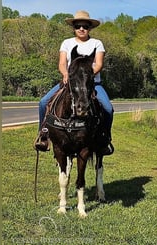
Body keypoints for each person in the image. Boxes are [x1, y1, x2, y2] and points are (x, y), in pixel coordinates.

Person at [33, 10, 114, 155]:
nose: (81, 29)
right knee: (43, 102)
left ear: (90, 28)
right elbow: (62, 63)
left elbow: (99, 64)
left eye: (85, 26)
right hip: (70, 82)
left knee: (108, 108)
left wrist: (86, 77)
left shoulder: (97, 44)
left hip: (93, 84)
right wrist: (66, 74)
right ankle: (43, 134)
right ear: (74, 28)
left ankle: (104, 139)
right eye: (78, 26)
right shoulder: (67, 43)